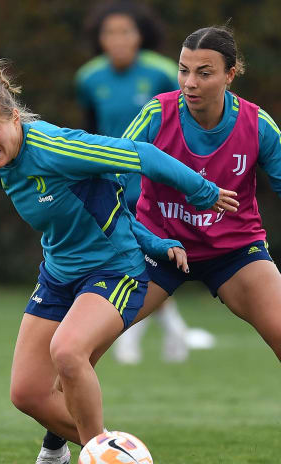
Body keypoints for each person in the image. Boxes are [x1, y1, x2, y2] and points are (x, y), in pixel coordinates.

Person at [0, 59, 238, 464]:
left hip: (113, 270)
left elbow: (139, 153)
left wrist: (201, 190)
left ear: (14, 118)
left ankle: (100, 457)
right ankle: (114, 452)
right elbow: (98, 204)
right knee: (27, 393)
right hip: (57, 275)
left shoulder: (55, 146)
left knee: (69, 353)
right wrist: (155, 241)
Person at [120, 24, 281, 464]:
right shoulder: (157, 114)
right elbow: (111, 165)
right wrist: (142, 236)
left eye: (204, 73)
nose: (189, 83)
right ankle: (54, 451)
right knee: (81, 346)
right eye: (184, 71)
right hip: (158, 248)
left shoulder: (256, 124)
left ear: (231, 73)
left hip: (234, 252)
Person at [75, 0, 215, 366]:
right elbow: (92, 134)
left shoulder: (161, 72)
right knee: (137, 260)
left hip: (156, 187)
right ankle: (170, 334)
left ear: (140, 35)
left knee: (147, 259)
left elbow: (185, 122)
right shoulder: (89, 78)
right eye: (110, 33)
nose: (118, 40)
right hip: (113, 185)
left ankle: (139, 337)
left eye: (125, 31)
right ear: (99, 39)